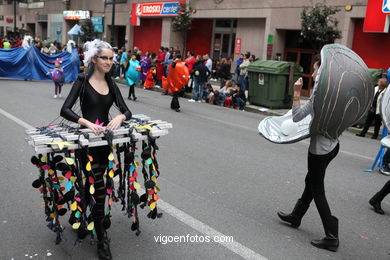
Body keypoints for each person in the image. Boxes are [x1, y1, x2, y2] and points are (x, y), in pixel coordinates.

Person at [60, 39, 132, 260]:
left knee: (94, 187)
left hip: (105, 146)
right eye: (105, 58)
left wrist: (120, 116)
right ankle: (102, 241)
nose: (109, 62)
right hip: (87, 145)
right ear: (94, 59)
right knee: (98, 192)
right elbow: (64, 110)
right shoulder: (82, 82)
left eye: (111, 58)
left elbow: (127, 111)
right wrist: (87, 123)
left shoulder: (112, 83)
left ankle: (82, 220)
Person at [277, 57, 341, 252]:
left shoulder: (318, 97)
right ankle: (296, 216)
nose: (312, 74)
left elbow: (296, 116)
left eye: (315, 71)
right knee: (310, 182)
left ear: (322, 74)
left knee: (317, 189)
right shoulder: (336, 93)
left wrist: (296, 92)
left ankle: (332, 236)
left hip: (320, 150)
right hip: (333, 145)